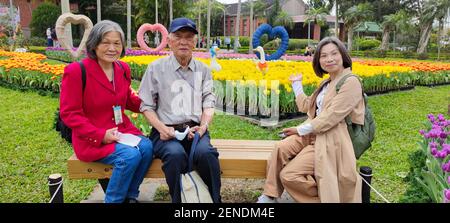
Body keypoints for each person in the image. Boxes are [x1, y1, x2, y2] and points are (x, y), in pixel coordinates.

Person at [258, 36, 364, 203]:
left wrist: (299, 130)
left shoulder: (351, 82)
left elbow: (331, 117)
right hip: (312, 134)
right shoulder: (327, 82)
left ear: (342, 55)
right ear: (318, 60)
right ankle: (270, 194)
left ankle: (322, 198)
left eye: (334, 54)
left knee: (289, 175)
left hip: (331, 140)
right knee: (280, 148)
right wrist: (296, 85)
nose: (329, 59)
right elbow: (308, 106)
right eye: (323, 56)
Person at [59, 20, 153, 203]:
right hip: (92, 138)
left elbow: (127, 100)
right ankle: (114, 200)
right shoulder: (77, 71)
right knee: (129, 156)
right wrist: (100, 135)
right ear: (94, 44)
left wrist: (152, 103)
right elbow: (69, 113)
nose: (112, 48)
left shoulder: (122, 69)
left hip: (121, 130)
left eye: (117, 43)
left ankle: (130, 196)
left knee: (147, 148)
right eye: (106, 42)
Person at [139, 17, 221, 203]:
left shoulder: (203, 70)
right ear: (169, 40)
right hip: (165, 132)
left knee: (206, 154)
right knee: (175, 155)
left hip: (196, 130)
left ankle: (216, 201)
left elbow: (209, 101)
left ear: (195, 42)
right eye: (178, 36)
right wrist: (163, 129)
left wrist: (203, 126)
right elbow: (146, 106)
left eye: (189, 37)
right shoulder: (155, 69)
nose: (184, 41)